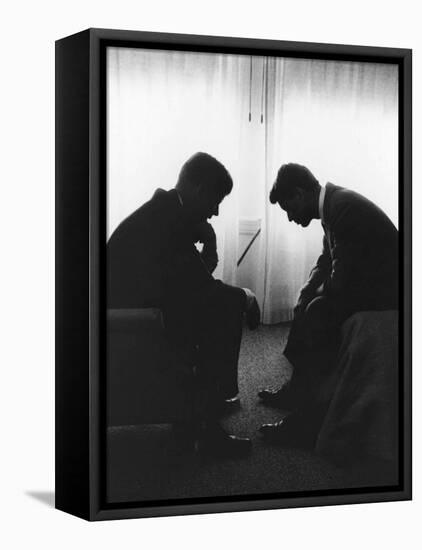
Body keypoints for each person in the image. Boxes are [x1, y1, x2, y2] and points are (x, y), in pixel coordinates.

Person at [107, 152, 260, 456]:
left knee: (219, 304)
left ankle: (199, 412)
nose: (215, 212)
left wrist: (210, 245)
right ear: (201, 190)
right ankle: (208, 426)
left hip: (139, 308)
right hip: (134, 322)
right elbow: (201, 289)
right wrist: (248, 297)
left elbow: (188, 281)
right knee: (227, 308)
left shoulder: (164, 212)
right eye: (215, 201)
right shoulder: (169, 224)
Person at [258, 163, 398, 444]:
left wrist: (316, 297)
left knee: (318, 311)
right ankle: (298, 389)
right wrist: (307, 290)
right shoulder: (334, 206)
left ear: (300, 194)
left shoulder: (343, 209)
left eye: (288, 208)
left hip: (387, 292)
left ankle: (306, 422)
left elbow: (343, 279)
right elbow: (327, 261)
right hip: (367, 282)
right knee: (307, 302)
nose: (290, 218)